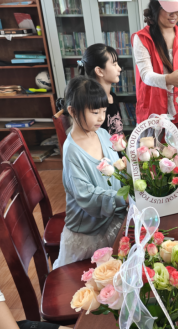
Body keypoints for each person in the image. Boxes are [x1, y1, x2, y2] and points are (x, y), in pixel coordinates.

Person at [54, 76, 127, 269]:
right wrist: (123, 198)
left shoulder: (101, 133)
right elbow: (86, 195)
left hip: (112, 218)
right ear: (72, 111)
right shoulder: (72, 151)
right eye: (95, 112)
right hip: (88, 234)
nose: (102, 118)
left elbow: (117, 171)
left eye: (103, 110)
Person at [77, 43, 123, 135]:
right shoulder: (92, 103)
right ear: (99, 71)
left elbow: (120, 131)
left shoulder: (112, 96)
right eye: (114, 64)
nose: (119, 69)